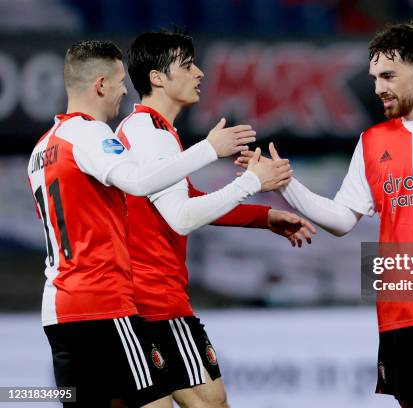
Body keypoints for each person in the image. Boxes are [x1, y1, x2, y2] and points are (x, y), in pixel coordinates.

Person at [237, 22, 413, 408]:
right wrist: (284, 185)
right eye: (374, 77)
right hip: (396, 307)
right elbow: (342, 218)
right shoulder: (372, 141)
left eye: (388, 76)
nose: (377, 88)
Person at [27, 40, 287, 408]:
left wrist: (262, 216)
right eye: (118, 81)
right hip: (109, 302)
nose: (123, 89)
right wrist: (218, 155)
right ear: (100, 84)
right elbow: (151, 191)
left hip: (59, 307)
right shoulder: (94, 133)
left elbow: (175, 197)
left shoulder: (41, 149)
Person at [116, 31, 316, 408]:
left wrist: (263, 217)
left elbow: (185, 198)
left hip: (133, 299)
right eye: (188, 66)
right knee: (211, 404)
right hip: (156, 301)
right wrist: (253, 182)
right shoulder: (153, 135)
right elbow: (182, 218)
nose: (201, 73)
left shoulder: (142, 130)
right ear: (157, 78)